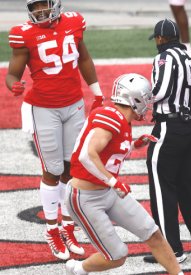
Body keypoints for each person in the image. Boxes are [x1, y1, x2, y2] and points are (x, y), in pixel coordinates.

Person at [5, 0, 104, 260]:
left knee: (73, 167)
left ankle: (68, 226)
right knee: (52, 170)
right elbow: (12, 73)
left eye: (43, 5)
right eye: (35, 7)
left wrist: (97, 93)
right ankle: (52, 229)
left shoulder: (73, 23)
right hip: (44, 108)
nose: (40, 11)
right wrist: (13, 85)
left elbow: (83, 57)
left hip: (73, 105)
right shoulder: (24, 34)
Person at [64, 73, 183, 275]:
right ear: (133, 99)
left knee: (153, 234)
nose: (147, 104)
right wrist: (114, 182)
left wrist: (136, 144)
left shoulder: (120, 118)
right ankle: (77, 269)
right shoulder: (110, 116)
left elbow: (109, 151)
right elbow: (87, 155)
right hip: (85, 197)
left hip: (107, 192)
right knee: (117, 256)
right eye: (145, 99)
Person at [143, 19, 191, 264]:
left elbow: (160, 90)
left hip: (168, 126)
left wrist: (142, 101)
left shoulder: (163, 58)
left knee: (162, 188)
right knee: (189, 186)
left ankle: (170, 249)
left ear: (161, 39)